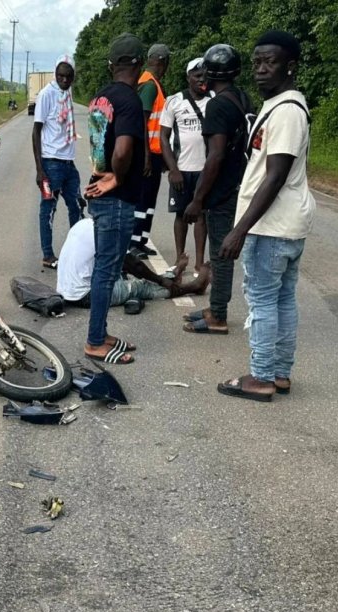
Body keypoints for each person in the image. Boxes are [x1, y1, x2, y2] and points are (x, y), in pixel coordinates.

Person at [216, 30, 314, 402]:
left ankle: (259, 377)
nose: (259, 69)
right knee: (282, 300)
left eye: (269, 62)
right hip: (283, 225)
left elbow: (275, 176)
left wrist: (239, 230)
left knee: (262, 301)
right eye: (256, 61)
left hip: (272, 226)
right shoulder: (279, 106)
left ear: (290, 66)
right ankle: (279, 373)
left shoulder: (287, 110)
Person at [82, 33, 146, 365]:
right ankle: (95, 342)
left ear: (111, 65)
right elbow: (122, 150)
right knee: (107, 270)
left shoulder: (100, 98)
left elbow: (97, 149)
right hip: (117, 198)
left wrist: (101, 174)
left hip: (101, 192)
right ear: (140, 64)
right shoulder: (130, 101)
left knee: (105, 268)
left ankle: (101, 333)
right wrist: (117, 178)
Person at [181, 43, 253, 335]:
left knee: (220, 253)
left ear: (209, 74)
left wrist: (197, 199)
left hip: (223, 190)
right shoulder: (242, 98)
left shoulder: (217, 105)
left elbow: (215, 155)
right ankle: (215, 306)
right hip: (239, 183)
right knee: (222, 253)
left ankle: (218, 316)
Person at [57, 217, 210, 307]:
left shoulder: (83, 223)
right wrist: (162, 281)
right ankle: (193, 287)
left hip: (65, 290)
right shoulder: (106, 231)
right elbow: (134, 265)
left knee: (126, 275)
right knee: (138, 285)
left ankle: (172, 274)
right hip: (85, 296)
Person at [160, 57, 211, 275]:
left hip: (205, 170)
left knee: (201, 215)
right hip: (181, 170)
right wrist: (173, 169)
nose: (202, 79)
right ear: (188, 77)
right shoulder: (174, 101)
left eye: (204, 75)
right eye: (197, 76)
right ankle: (180, 259)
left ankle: (199, 263)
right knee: (181, 215)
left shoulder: (214, 100)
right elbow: (164, 137)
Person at [32, 55, 82, 269]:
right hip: (51, 163)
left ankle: (77, 251)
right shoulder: (47, 95)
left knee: (77, 206)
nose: (64, 80)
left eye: (68, 76)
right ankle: (47, 254)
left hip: (69, 163)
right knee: (48, 209)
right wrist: (39, 170)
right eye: (60, 76)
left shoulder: (67, 93)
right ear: (55, 74)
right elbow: (36, 131)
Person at [128, 43, 170, 259]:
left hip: (154, 154)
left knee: (150, 199)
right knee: (142, 198)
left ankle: (142, 239)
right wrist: (145, 156)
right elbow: (143, 121)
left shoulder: (150, 82)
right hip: (147, 154)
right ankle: (134, 242)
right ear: (161, 61)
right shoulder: (150, 85)